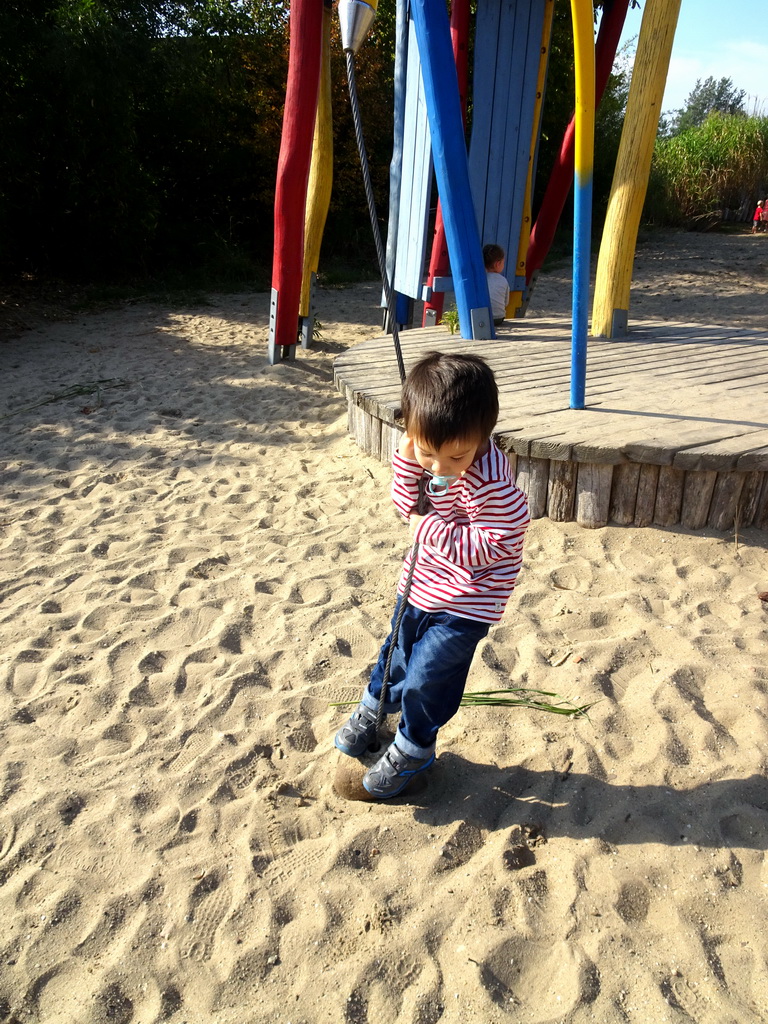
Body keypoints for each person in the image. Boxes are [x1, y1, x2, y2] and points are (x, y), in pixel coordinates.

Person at [334, 352, 530, 799]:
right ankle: (374, 709)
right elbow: (407, 505)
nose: (439, 467)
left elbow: (487, 548)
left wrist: (430, 528)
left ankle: (414, 746)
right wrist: (408, 460)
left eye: (455, 455)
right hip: (421, 584)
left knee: (428, 676)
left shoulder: (496, 488)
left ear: (483, 436)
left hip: (466, 601)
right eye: (427, 452)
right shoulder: (424, 456)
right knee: (396, 653)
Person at [483, 243, 510, 325]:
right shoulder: (503, 280)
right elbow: (506, 303)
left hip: (482, 317)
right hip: (498, 318)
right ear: (497, 264)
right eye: (503, 262)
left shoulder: (481, 279)